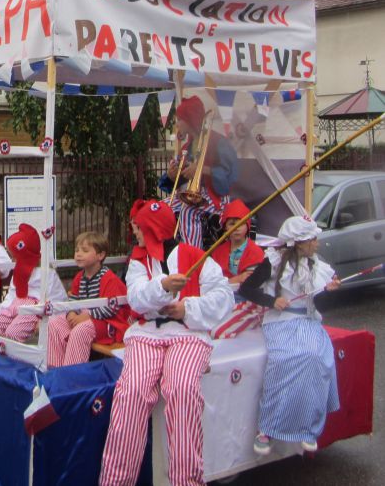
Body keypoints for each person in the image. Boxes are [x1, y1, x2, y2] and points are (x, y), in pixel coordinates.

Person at [99, 200, 234, 486]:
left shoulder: (199, 257)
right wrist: (161, 287)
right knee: (131, 392)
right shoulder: (138, 262)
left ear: (152, 230)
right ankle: (115, 481)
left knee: (182, 388)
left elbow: (224, 299)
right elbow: (135, 298)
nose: (135, 233)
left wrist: (188, 308)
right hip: (147, 334)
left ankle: (186, 482)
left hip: (188, 334)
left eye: (140, 228)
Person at [239, 215, 341, 456]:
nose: (317, 244)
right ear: (299, 242)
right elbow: (246, 289)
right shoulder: (272, 262)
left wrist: (328, 291)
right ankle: (268, 428)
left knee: (316, 358)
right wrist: (272, 300)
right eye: (312, 240)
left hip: (307, 321)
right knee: (284, 360)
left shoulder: (317, 265)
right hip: (281, 321)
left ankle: (308, 428)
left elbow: (319, 303)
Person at [159, 95, 238, 248]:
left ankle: (193, 259)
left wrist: (203, 169)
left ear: (190, 119)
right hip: (193, 195)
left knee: (188, 212)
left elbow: (231, 176)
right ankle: (168, 253)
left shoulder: (219, 142)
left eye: (179, 120)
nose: (177, 125)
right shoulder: (186, 147)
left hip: (216, 197)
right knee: (159, 209)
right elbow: (179, 181)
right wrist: (171, 176)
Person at [47, 231, 129, 368]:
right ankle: (56, 368)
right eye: (77, 250)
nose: (78, 254)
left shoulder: (109, 278)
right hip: (84, 317)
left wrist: (88, 316)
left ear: (100, 255)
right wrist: (71, 313)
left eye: (84, 250)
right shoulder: (79, 277)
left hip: (107, 322)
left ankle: (73, 373)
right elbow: (72, 300)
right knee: (54, 323)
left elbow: (112, 308)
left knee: (81, 331)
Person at [0, 223, 66, 343]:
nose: (13, 261)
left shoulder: (47, 273)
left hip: (35, 309)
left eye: (15, 257)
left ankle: (17, 359)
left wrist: (47, 319)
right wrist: (2, 311)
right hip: (16, 306)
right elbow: (12, 294)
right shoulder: (19, 271)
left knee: (13, 333)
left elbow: (58, 298)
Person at [210, 199, 265, 338]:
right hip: (221, 297)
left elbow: (250, 283)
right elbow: (211, 282)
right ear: (226, 227)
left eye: (241, 223)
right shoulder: (217, 251)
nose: (237, 227)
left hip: (247, 301)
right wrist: (236, 279)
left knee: (218, 330)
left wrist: (230, 281)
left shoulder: (256, 251)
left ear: (247, 226)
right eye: (232, 224)